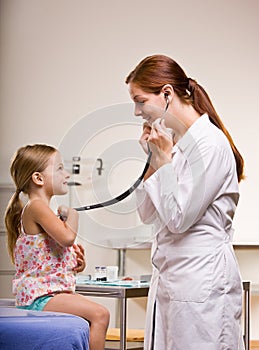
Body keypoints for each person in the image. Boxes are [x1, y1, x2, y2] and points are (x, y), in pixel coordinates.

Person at [125, 54, 245, 350]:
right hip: (174, 278)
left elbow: (179, 219)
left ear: (166, 93)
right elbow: (148, 213)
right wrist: (153, 160)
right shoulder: (175, 143)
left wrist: (164, 161)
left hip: (201, 278)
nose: (137, 112)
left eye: (140, 101)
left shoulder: (209, 144)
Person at [5, 144, 110, 350]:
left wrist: (76, 263)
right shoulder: (36, 206)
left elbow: (53, 256)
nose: (67, 174)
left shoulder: (46, 212)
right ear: (38, 178)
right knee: (101, 314)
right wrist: (73, 214)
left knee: (93, 317)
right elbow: (68, 238)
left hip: (51, 293)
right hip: (39, 296)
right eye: (60, 168)